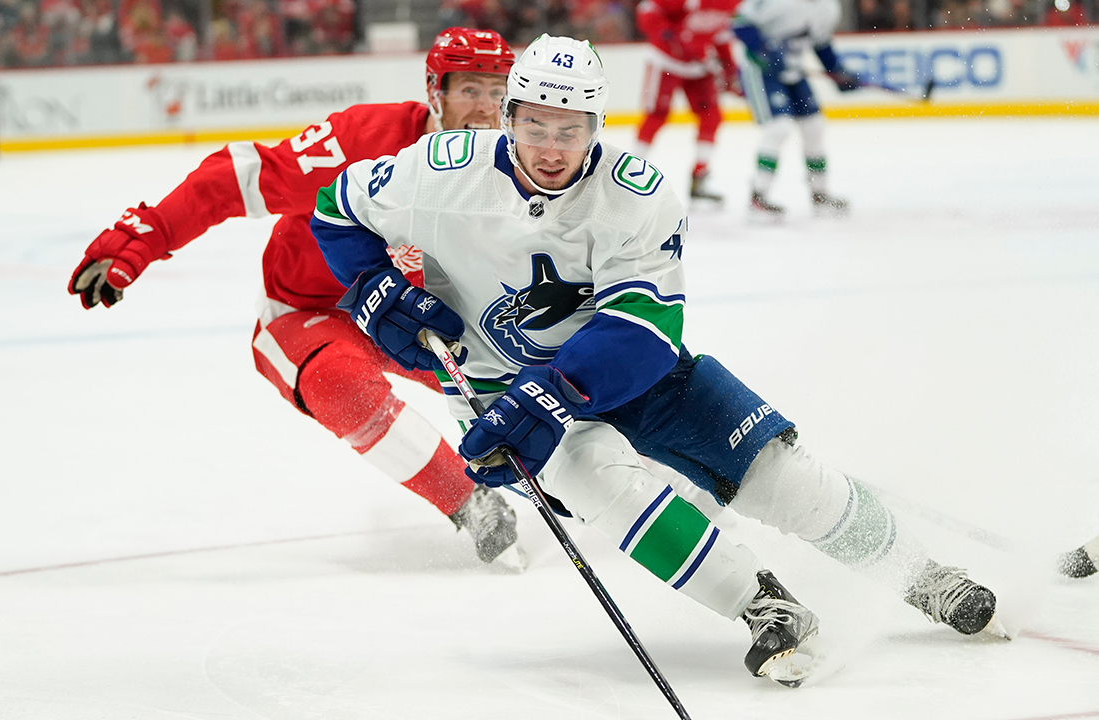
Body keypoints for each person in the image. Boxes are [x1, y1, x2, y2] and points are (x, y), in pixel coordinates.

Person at [311, 34, 1005, 688]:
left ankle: (926, 575)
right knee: (602, 487)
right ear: (508, 116)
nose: (551, 149)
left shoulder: (634, 192)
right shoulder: (437, 175)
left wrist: (555, 390)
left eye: (571, 129)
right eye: (534, 127)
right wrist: (372, 292)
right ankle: (763, 607)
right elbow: (334, 210)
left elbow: (642, 327)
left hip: (630, 371)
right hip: (498, 381)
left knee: (778, 476)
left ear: (597, 124)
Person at [66, 27, 523, 568]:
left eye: (499, 94)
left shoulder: (516, 167)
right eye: (470, 89)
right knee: (338, 383)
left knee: (544, 379)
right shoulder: (359, 140)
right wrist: (145, 236)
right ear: (434, 89)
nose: (486, 109)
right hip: (309, 314)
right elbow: (237, 177)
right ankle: (470, 503)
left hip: (419, 319)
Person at [731, 0, 860, 216]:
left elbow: (821, 45)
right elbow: (740, 22)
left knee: (814, 127)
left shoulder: (829, 8)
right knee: (778, 128)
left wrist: (837, 72)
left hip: (794, 72)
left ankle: (819, 193)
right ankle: (758, 196)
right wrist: (764, 51)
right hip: (762, 71)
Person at [632, 0, 742, 204]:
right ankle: (630, 171)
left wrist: (730, 71)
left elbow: (719, 36)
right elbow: (647, 10)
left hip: (698, 65)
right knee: (656, 114)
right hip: (665, 59)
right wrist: (667, 34)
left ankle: (700, 177)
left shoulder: (732, 4)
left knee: (712, 116)